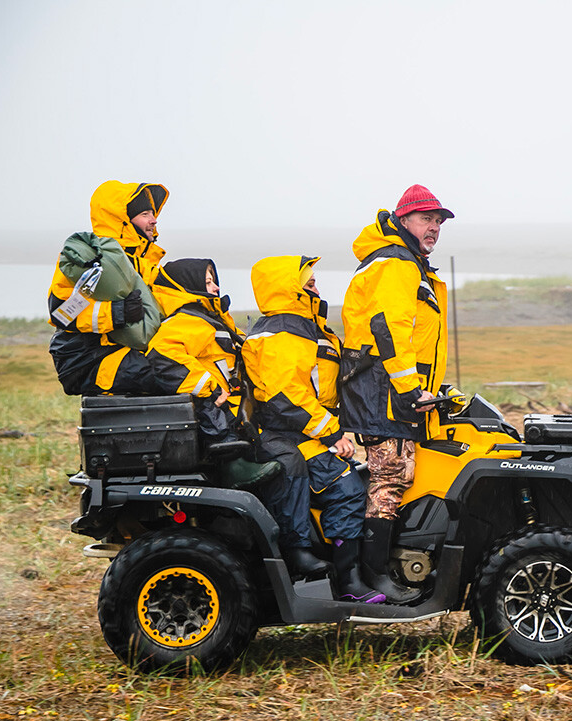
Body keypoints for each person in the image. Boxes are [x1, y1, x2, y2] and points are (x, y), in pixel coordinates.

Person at [243, 255, 385, 601]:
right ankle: (348, 583)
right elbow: (285, 397)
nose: (316, 289)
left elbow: (324, 384)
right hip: (289, 434)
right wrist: (333, 433)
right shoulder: (282, 333)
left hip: (305, 431)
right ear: (286, 289)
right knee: (348, 487)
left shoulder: (305, 327)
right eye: (309, 284)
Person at [339, 184, 454, 603]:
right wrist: (408, 390)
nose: (434, 228)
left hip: (387, 388)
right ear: (403, 220)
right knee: (388, 478)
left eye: (438, 222)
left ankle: (376, 570)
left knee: (394, 478)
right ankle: (372, 579)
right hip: (383, 391)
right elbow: (389, 329)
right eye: (426, 219)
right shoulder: (397, 264)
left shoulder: (406, 262)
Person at [144, 258, 276, 489]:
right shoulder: (188, 320)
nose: (216, 287)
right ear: (187, 286)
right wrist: (210, 388)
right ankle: (233, 468)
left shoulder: (210, 318)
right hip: (217, 408)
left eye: (214, 281)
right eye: (208, 282)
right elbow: (162, 356)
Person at [47, 181, 169, 395]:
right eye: (144, 214)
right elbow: (61, 314)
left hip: (126, 353)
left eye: (152, 213)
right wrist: (116, 313)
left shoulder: (146, 262)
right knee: (168, 374)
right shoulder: (86, 258)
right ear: (122, 220)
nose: (153, 220)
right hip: (88, 359)